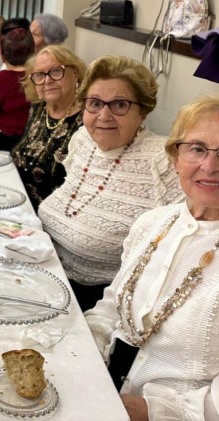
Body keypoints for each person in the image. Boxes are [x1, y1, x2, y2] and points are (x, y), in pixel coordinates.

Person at [85, 96, 219, 421]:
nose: (210, 166)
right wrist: (83, 350)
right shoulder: (152, 223)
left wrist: (152, 410)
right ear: (176, 158)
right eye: (197, 149)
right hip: (103, 386)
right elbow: (113, 304)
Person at [38, 55, 185, 311]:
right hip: (45, 269)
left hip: (98, 303)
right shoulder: (83, 139)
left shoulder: (164, 162)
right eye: (94, 103)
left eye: (119, 105)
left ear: (142, 112)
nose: (103, 115)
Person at [10, 45, 86, 209]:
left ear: (75, 73)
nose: (48, 79)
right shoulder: (38, 108)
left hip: (48, 215)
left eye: (56, 71)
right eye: (39, 75)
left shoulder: (88, 120)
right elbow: (25, 143)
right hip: (16, 199)